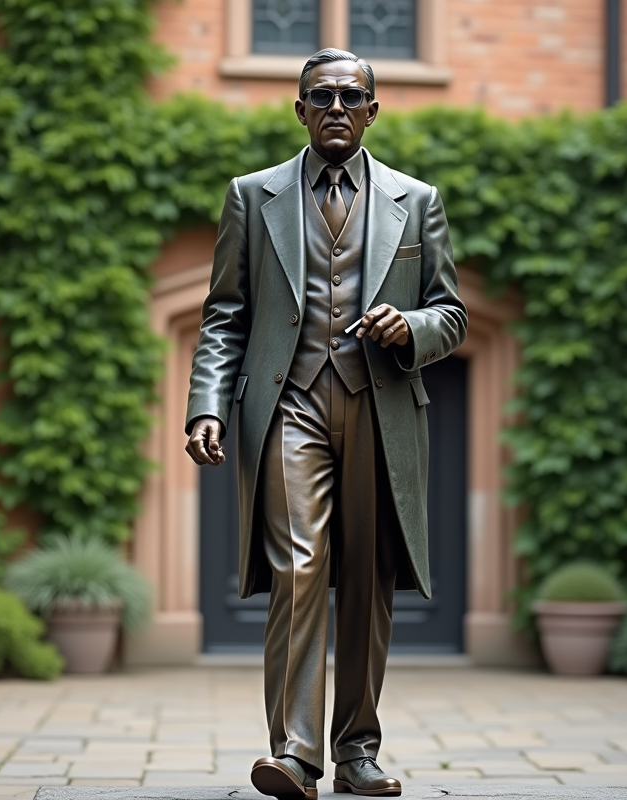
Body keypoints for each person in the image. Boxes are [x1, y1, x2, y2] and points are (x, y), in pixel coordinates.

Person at [185, 47, 467, 800]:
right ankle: (295, 753)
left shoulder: (418, 200)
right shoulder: (253, 196)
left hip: (382, 407)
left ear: (373, 110)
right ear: (300, 109)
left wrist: (411, 326)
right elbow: (224, 316)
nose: (337, 108)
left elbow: (453, 314)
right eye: (322, 97)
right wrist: (207, 404)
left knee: (368, 580)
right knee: (300, 564)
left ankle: (358, 751)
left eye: (351, 96)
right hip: (289, 404)